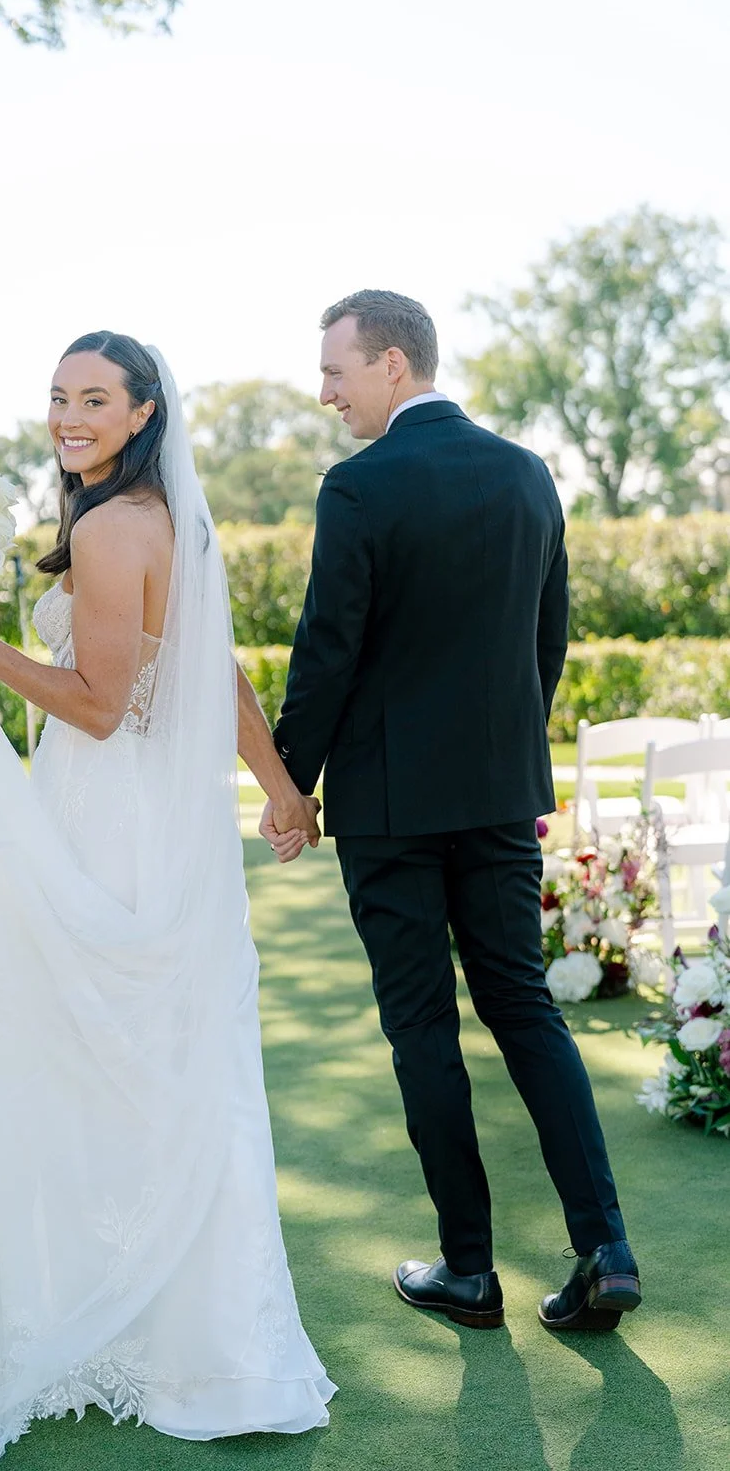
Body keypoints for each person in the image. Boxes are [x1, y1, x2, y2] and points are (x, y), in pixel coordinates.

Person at [0, 332, 333, 1471]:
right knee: (161, 1068)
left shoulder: (117, 528)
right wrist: (280, 792)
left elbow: (103, 703)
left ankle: (132, 1322)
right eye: (59, 396)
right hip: (151, 829)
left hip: (112, 826)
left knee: (90, 1057)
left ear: (142, 411)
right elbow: (211, 668)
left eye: (94, 399)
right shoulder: (160, 520)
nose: (69, 416)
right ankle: (180, 1333)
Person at [263, 289, 640, 1334]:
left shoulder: (356, 487)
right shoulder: (527, 475)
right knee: (523, 1006)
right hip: (496, 790)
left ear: (391, 364)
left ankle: (467, 1270)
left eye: (335, 371)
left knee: (422, 1025)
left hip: (388, 806)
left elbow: (325, 651)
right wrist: (508, 755)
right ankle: (603, 1245)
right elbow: (545, 639)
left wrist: (290, 781)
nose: (325, 392)